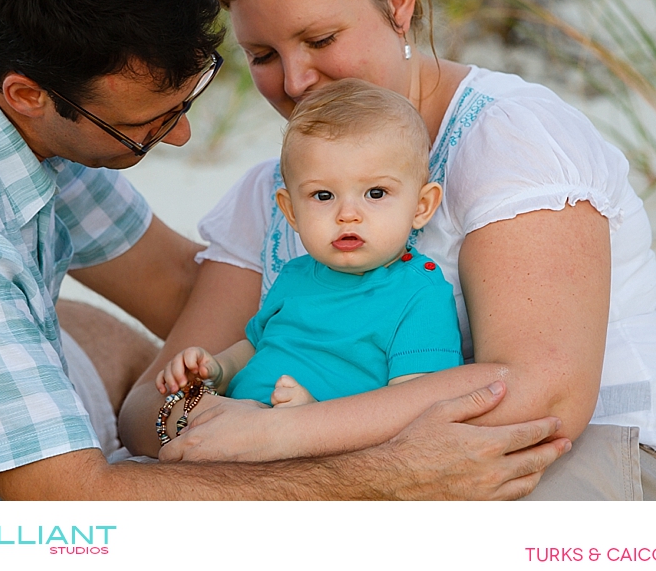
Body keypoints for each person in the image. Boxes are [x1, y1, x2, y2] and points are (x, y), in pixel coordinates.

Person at [0, 0, 570, 501]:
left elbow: (175, 284)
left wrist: (259, 376)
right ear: (28, 95)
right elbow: (68, 503)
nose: (183, 137)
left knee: (94, 331)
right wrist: (375, 477)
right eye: (145, 128)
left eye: (185, 97)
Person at [119, 0, 656, 500]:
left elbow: (546, 392)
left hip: (582, 455)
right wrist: (204, 411)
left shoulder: (508, 139)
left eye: (321, 40)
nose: (295, 81)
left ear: (399, 1)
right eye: (263, 54)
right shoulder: (272, 195)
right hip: (364, 475)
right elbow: (145, 412)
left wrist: (276, 436)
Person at [156, 79, 463, 417]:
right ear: (291, 212)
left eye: (375, 193)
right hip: (237, 426)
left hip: (321, 452)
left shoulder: (419, 294)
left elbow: (412, 406)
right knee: (172, 418)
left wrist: (311, 416)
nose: (347, 214)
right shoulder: (295, 274)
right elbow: (258, 345)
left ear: (421, 206)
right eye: (323, 196)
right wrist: (218, 369)